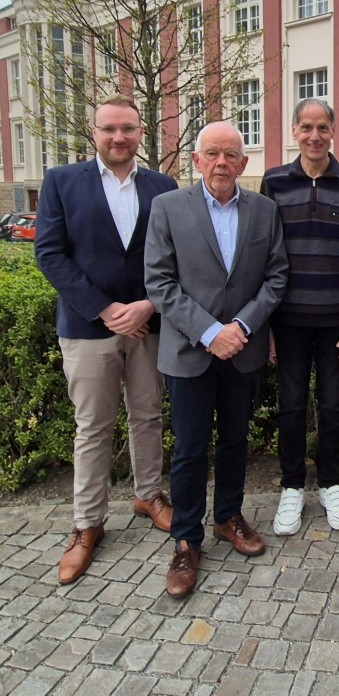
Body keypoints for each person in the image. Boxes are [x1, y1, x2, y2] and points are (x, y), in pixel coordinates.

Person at [35, 94, 177, 585]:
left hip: (147, 323)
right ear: (92, 132)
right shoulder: (61, 182)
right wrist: (106, 309)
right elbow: (50, 255)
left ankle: (148, 494)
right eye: (110, 129)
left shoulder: (163, 186)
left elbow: (172, 257)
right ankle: (86, 523)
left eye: (129, 129)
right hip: (87, 326)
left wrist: (147, 305)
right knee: (93, 427)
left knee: (148, 415)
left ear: (141, 133)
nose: (119, 137)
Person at [145, 121, 288, 598]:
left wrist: (241, 328)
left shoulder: (264, 211)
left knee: (234, 440)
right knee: (188, 450)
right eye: (213, 154)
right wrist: (210, 332)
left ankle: (228, 517)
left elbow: (276, 276)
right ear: (197, 159)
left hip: (242, 352)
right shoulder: (167, 208)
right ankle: (187, 539)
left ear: (244, 164)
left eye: (231, 155)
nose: (222, 162)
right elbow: (160, 283)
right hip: (188, 351)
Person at [260, 99, 339, 537]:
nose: (314, 135)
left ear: (333, 131)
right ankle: (291, 486)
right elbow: (262, 254)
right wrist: (263, 323)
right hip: (286, 319)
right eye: (306, 127)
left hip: (336, 322)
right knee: (290, 407)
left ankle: (330, 482)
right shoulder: (273, 182)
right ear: (293, 130)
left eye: (322, 127)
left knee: (332, 406)